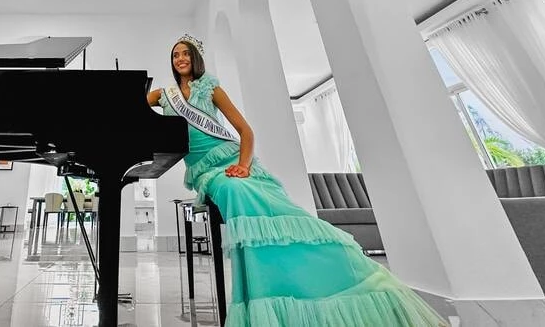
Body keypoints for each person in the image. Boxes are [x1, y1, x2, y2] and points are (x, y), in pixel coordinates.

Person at [147, 35, 449, 327]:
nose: (180, 58)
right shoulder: (165, 95)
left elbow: (246, 132)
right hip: (208, 172)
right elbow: (132, 105)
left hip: (232, 162)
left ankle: (328, 268)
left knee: (267, 204)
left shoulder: (211, 89)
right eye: (175, 55)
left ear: (195, 58)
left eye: (185, 53)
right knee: (233, 189)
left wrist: (244, 166)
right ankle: (265, 288)